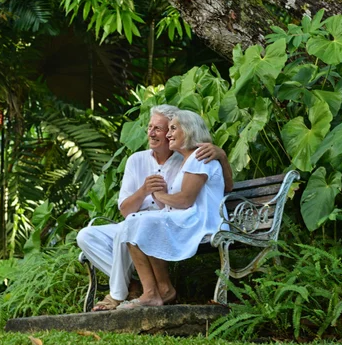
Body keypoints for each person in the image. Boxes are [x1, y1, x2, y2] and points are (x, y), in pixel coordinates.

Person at [76, 105, 233, 311]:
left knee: (139, 225)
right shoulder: (139, 160)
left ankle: (122, 294)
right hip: (152, 220)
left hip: (178, 220)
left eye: (163, 129)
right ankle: (136, 285)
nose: (154, 133)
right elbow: (125, 211)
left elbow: (199, 195)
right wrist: (144, 190)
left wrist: (221, 155)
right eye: (150, 127)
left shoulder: (193, 158)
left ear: (184, 131)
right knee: (91, 234)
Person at [117, 109, 229, 309]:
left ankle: (155, 292)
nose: (168, 134)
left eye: (173, 128)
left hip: (202, 221)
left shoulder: (198, 157)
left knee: (144, 223)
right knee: (137, 222)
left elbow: (185, 199)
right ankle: (155, 291)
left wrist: (158, 195)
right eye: (167, 129)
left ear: (188, 130)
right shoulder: (190, 159)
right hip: (189, 217)